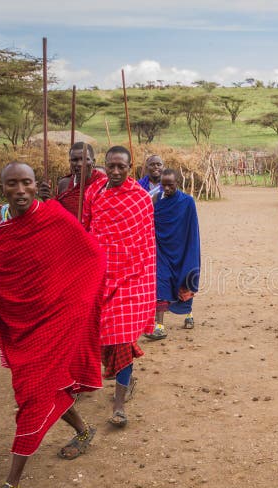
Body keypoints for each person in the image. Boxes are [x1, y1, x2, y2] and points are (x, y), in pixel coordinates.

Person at [0, 162, 106, 488]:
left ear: (36, 185)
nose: (20, 190)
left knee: (33, 393)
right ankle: (83, 431)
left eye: (26, 183)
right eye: (13, 184)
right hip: (19, 323)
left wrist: (77, 303)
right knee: (46, 387)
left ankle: (11, 484)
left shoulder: (53, 216)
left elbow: (91, 257)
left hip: (53, 320)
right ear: (3, 187)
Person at [83, 146, 156, 428]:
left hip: (131, 278)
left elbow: (147, 241)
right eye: (110, 166)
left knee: (123, 338)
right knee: (102, 338)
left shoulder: (140, 198)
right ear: (104, 165)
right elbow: (86, 228)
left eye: (121, 167)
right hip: (100, 275)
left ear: (130, 167)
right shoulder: (94, 193)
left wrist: (143, 275)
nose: (115, 172)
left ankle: (119, 404)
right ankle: (123, 379)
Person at [145, 169, 201, 340]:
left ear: (178, 183)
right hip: (162, 250)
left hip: (182, 249)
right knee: (161, 284)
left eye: (170, 185)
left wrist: (191, 251)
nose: (167, 189)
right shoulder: (156, 200)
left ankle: (188, 314)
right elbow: (150, 223)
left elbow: (192, 228)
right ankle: (159, 326)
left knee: (184, 280)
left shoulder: (187, 202)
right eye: (164, 185)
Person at [37, 142, 107, 215]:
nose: (79, 164)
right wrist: (47, 199)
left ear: (93, 162)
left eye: (84, 159)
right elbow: (56, 213)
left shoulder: (104, 183)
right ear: (70, 162)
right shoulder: (64, 184)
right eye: (75, 160)